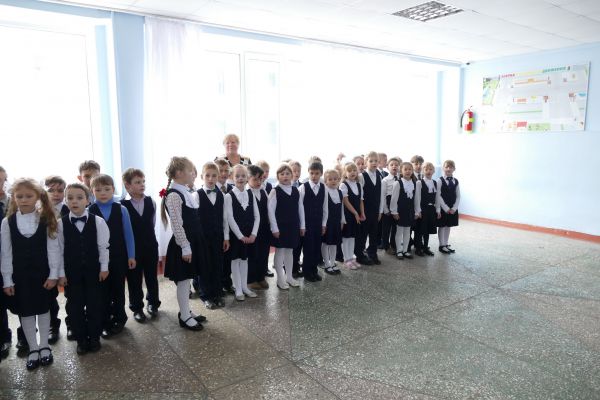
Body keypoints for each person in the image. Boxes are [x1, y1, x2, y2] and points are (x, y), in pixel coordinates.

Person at [1, 178, 62, 370]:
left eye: (28, 196)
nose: (24, 199)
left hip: (42, 274)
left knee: (43, 309)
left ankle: (44, 346)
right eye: (19, 196)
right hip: (20, 276)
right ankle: (33, 348)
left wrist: (53, 274)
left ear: (38, 197)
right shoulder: (7, 222)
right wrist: (7, 280)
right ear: (14, 198)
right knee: (25, 311)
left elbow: (53, 249)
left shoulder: (45, 219)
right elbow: (5, 253)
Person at [58, 183, 109, 355]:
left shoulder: (98, 222)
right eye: (70, 198)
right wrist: (61, 273)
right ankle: (81, 339)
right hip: (72, 274)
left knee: (95, 305)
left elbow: (103, 247)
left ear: (88, 200)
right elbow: (58, 251)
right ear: (65, 201)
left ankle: (94, 337)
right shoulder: (61, 224)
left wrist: (104, 267)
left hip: (94, 272)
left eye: (79, 198)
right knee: (75, 307)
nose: (75, 201)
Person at [161, 157, 206, 331]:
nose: (193, 174)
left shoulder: (185, 191)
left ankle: (187, 311)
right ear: (179, 173)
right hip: (184, 244)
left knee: (188, 279)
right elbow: (177, 224)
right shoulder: (173, 195)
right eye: (190, 171)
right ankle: (184, 316)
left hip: (193, 241)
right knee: (183, 281)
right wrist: (185, 246)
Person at [88, 174, 136, 338]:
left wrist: (131, 255)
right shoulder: (89, 211)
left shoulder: (121, 209)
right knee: (102, 292)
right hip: (99, 260)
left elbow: (128, 234)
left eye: (107, 189)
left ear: (113, 190)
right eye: (98, 190)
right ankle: (105, 321)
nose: (103, 193)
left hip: (119, 257)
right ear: (92, 191)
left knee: (118, 289)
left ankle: (119, 318)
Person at [121, 168, 161, 322]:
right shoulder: (122, 205)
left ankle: (153, 303)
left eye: (143, 181)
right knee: (134, 279)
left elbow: (152, 223)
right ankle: (137, 307)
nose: (142, 184)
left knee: (152, 277)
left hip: (150, 246)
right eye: (137, 182)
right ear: (127, 185)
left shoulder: (151, 202)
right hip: (133, 250)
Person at [224, 165, 260, 301]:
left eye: (243, 176)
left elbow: (257, 216)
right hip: (236, 236)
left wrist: (254, 234)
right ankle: (238, 289)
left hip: (249, 235)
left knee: (245, 260)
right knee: (235, 260)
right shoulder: (229, 196)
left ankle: (245, 287)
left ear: (247, 178)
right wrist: (240, 236)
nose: (240, 178)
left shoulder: (250, 193)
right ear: (232, 178)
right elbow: (229, 218)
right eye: (237, 176)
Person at [195, 162, 227, 309]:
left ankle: (217, 293)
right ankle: (206, 295)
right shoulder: (196, 195)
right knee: (204, 266)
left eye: (214, 175)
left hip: (218, 236)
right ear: (202, 176)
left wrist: (226, 237)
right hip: (203, 238)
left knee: (218, 265)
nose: (210, 178)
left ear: (218, 177)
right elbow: (194, 219)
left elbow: (225, 218)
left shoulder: (222, 195)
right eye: (207, 175)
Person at [268, 164, 304, 289]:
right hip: (280, 227)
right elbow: (270, 211)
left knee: (290, 252)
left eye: (287, 173)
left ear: (292, 175)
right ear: (278, 176)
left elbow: (300, 208)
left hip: (293, 226)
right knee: (280, 252)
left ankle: (289, 277)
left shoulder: (295, 190)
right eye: (282, 174)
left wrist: (302, 225)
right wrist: (274, 228)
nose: (285, 176)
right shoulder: (275, 191)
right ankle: (280, 279)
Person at [44, 175, 69, 343]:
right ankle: (53, 326)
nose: (56, 194)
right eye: (51, 190)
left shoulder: (69, 209)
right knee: (49, 296)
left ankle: (72, 323)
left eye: (60, 190)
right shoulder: (40, 211)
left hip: (67, 257)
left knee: (72, 294)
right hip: (47, 259)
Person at [299, 162, 327, 282]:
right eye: (312, 173)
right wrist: (302, 225)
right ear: (308, 173)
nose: (314, 176)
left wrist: (324, 224)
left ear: (321, 174)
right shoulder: (303, 188)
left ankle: (314, 271)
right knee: (308, 248)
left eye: (317, 173)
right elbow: (299, 208)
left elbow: (325, 208)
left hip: (318, 223)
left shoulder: (324, 188)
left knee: (316, 248)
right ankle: (307, 272)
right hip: (307, 224)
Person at [356, 151, 385, 265]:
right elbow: (360, 196)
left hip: (375, 210)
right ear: (366, 162)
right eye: (371, 161)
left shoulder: (380, 177)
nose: (374, 163)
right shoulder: (361, 176)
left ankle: (372, 253)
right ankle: (360, 255)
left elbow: (381, 196)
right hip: (365, 210)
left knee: (374, 233)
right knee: (363, 233)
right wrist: (361, 212)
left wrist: (380, 211)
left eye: (376, 161)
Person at [246, 165, 270, 290]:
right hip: (252, 229)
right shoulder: (246, 192)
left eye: (260, 179)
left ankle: (261, 277)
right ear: (248, 179)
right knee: (253, 254)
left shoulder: (263, 191)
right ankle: (251, 279)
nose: (258, 182)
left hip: (264, 228)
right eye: (255, 179)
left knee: (263, 253)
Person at [214, 158, 234, 293]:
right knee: (217, 260)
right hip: (217, 229)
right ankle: (218, 284)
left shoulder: (232, 189)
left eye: (226, 170)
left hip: (230, 230)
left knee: (228, 259)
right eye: (220, 170)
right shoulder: (210, 188)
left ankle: (227, 282)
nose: (223, 173)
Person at [391, 162, 417, 259]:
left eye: (410, 169)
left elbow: (416, 199)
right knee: (399, 231)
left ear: (412, 171)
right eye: (405, 169)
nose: (408, 171)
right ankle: (399, 251)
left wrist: (417, 211)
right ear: (401, 171)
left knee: (407, 231)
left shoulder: (414, 183)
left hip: (410, 211)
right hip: (400, 211)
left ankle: (405, 250)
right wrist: (394, 211)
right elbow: (394, 199)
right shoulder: (398, 183)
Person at [341, 162, 364, 270]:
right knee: (346, 237)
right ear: (345, 173)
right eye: (349, 171)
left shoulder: (358, 185)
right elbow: (345, 201)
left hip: (356, 215)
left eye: (354, 170)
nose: (352, 172)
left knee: (353, 237)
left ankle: (351, 258)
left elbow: (361, 200)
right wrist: (355, 213)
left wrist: (362, 213)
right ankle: (346, 259)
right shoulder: (343, 185)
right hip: (348, 215)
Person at [321, 169, 344, 275]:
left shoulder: (339, 192)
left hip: (336, 222)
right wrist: (323, 223)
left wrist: (342, 220)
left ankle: (332, 262)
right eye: (330, 179)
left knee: (334, 243)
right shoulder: (325, 192)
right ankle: (326, 264)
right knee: (326, 242)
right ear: (325, 181)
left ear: (338, 180)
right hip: (327, 222)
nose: (333, 181)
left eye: (335, 179)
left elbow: (342, 208)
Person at [414, 162, 439, 257]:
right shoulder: (419, 182)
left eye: (430, 169)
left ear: (433, 171)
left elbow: (437, 197)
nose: (428, 171)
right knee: (420, 229)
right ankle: (418, 248)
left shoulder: (434, 182)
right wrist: (418, 210)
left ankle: (425, 247)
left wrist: (438, 209)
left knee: (427, 229)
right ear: (422, 171)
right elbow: (417, 198)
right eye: (426, 169)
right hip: (422, 209)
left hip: (431, 209)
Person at [437, 160, 460, 254]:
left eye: (451, 167)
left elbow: (458, 196)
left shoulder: (456, 181)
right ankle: (441, 245)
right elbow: (438, 195)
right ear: (443, 168)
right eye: (446, 167)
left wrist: (454, 208)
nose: (448, 169)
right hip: (444, 208)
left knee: (448, 225)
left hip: (452, 208)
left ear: (454, 169)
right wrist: (445, 208)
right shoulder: (440, 180)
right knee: (442, 226)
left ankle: (446, 244)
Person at [381, 157, 401, 255]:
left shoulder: (401, 179)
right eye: (392, 165)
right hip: (388, 203)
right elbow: (383, 196)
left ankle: (394, 244)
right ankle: (386, 245)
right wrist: (385, 209)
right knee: (386, 228)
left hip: (398, 204)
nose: (394, 166)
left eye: (396, 165)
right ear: (387, 167)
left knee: (396, 227)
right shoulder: (385, 180)